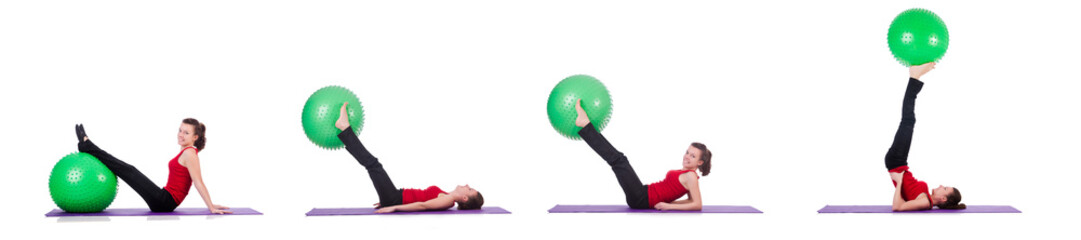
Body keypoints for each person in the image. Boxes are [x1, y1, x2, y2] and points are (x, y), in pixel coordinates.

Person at [333, 103, 483, 213]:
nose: (467, 185)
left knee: (373, 165)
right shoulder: (447, 196)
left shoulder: (448, 200)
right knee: (372, 165)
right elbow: (419, 200)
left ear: (464, 198)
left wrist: (393, 206)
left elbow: (422, 206)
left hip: (395, 199)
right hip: (395, 195)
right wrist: (387, 199)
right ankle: (345, 131)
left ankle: (345, 128)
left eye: (469, 189)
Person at [573, 99, 711, 210]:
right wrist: (670, 204)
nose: (687, 156)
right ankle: (586, 126)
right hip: (644, 192)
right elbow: (690, 200)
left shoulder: (691, 176)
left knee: (619, 160)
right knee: (619, 160)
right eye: (687, 152)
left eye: (693, 156)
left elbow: (697, 204)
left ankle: (585, 125)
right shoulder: (685, 173)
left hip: (642, 198)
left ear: (700, 162)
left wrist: (668, 206)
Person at [74, 118, 231, 214]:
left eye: (186, 133)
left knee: (129, 171)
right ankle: (87, 145)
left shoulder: (190, 153)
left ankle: (87, 145)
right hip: (164, 197)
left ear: (195, 137)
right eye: (180, 130)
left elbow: (198, 182)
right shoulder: (185, 151)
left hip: (165, 202)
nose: (180, 135)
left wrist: (210, 206)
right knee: (128, 170)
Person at [885, 62, 965, 211]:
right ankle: (915, 76)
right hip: (900, 163)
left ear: (943, 198)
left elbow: (898, 207)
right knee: (908, 120)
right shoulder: (926, 195)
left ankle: (914, 76)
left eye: (945, 188)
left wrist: (899, 181)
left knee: (908, 120)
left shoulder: (926, 202)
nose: (941, 185)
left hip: (896, 163)